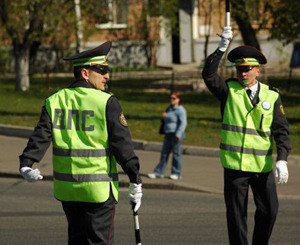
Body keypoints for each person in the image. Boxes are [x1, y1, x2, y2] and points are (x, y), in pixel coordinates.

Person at [19, 41, 143, 245]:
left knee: (76, 240)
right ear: (85, 73)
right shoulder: (106, 101)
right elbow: (122, 146)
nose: (107, 76)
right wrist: (135, 178)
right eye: (102, 70)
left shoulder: (55, 100)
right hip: (99, 191)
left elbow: (41, 134)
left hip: (68, 190)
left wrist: (26, 162)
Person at [202, 26, 291, 245]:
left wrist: (282, 159)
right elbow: (209, 74)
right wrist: (221, 48)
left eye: (248, 69)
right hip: (236, 167)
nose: (243, 73)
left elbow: (281, 130)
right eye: (240, 69)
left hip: (262, 166)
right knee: (236, 217)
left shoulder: (272, 95)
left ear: (258, 71)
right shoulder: (228, 91)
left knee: (270, 211)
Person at [148, 92, 187, 180]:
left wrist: (178, 134)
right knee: (164, 154)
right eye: (171, 98)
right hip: (168, 134)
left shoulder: (180, 110)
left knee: (176, 155)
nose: (171, 100)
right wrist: (164, 117)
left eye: (174, 98)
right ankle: (159, 172)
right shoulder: (169, 108)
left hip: (176, 135)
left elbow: (183, 123)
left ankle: (176, 173)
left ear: (178, 100)